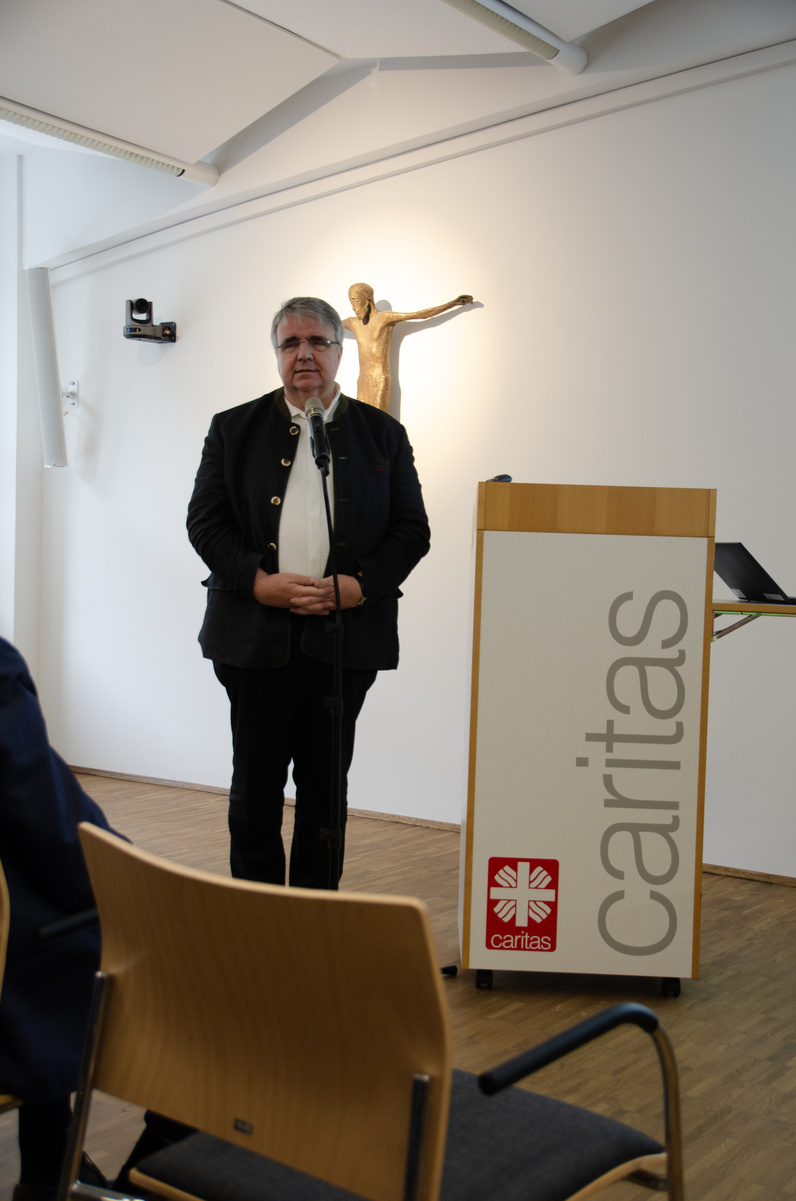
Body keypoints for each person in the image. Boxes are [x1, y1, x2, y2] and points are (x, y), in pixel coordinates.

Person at [187, 296, 430, 889]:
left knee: (326, 790)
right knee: (255, 787)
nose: (304, 354)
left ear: (339, 351)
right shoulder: (233, 428)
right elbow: (205, 522)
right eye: (290, 343)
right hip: (252, 638)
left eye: (317, 341)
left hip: (343, 641)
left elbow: (411, 530)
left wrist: (360, 586)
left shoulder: (383, 435)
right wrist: (256, 581)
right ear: (276, 354)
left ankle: (316, 915)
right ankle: (258, 910)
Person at [343, 282, 473, 411]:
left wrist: (453, 303)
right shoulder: (354, 323)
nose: (353, 307)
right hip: (362, 381)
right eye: (351, 302)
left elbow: (420, 314)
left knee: (378, 421)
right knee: (360, 421)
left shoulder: (384, 318)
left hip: (379, 380)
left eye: (356, 301)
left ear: (368, 299)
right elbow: (332, 322)